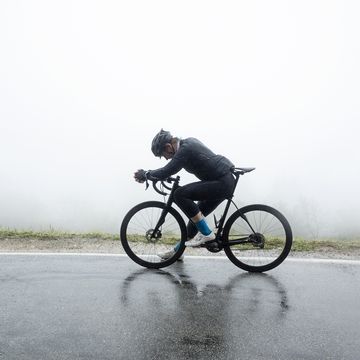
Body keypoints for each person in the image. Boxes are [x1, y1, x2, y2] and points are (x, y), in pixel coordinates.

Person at [134, 129, 235, 260]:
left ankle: (207, 234)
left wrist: (147, 174)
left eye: (163, 154)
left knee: (179, 194)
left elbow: (169, 169)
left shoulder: (186, 148)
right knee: (196, 218)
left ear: (168, 146)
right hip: (222, 181)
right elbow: (171, 168)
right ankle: (178, 251)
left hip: (221, 182)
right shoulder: (188, 143)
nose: (165, 158)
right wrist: (153, 175)